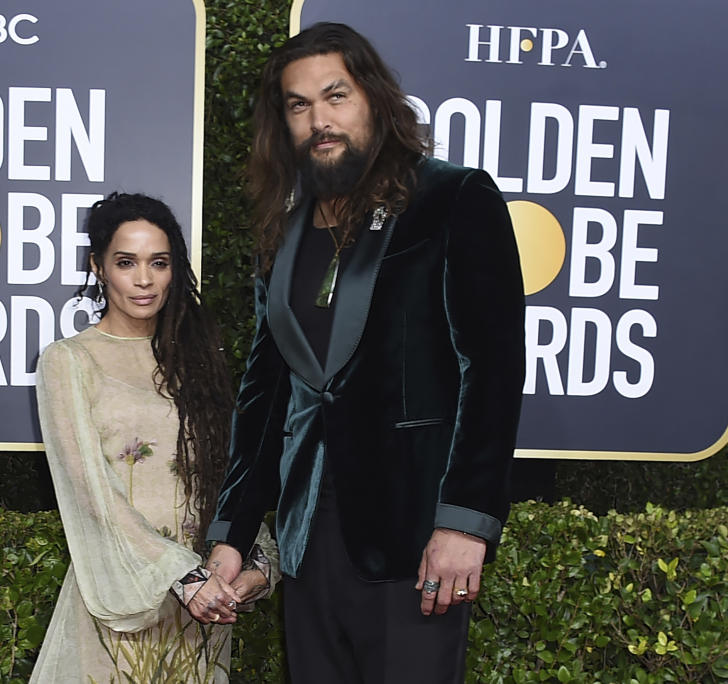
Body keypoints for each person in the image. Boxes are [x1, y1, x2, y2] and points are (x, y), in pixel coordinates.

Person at [186, 23, 526, 683]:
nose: (320, 119)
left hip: (415, 539)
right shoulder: (284, 232)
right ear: (282, 123)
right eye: (299, 105)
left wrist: (465, 522)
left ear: (372, 97)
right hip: (309, 542)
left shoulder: (451, 198)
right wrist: (231, 534)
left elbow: (493, 369)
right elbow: (266, 397)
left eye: (335, 96)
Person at [31, 193, 277, 683]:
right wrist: (179, 575)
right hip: (123, 598)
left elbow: (230, 476)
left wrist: (259, 566)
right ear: (98, 267)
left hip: (205, 604)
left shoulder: (199, 363)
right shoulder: (69, 361)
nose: (144, 280)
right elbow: (92, 495)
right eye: (126, 262)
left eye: (158, 263)